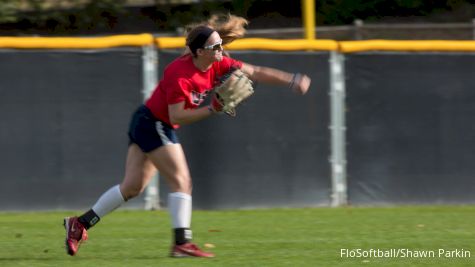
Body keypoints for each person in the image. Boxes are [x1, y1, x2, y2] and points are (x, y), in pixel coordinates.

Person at [63, 15, 311, 258]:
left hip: (151, 121)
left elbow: (255, 71)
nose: (220, 49)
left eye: (220, 45)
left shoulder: (218, 62)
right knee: (182, 181)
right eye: (215, 46)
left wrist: (292, 80)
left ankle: (80, 224)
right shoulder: (180, 73)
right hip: (154, 123)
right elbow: (178, 116)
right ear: (199, 52)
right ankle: (182, 243)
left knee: (132, 187)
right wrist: (213, 108)